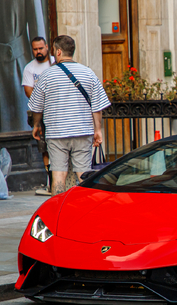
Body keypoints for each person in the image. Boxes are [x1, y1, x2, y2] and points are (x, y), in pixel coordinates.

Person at [28, 35, 111, 196]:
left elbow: (36, 107)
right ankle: (87, 208)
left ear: (58, 52)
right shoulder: (88, 73)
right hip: (82, 131)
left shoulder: (47, 75)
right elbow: (97, 106)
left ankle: (58, 212)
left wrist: (37, 125)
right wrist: (98, 130)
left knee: (58, 174)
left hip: (57, 133)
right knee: (84, 174)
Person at [22, 36, 55, 196]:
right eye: (35, 49)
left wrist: (40, 92)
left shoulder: (57, 63)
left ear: (47, 47)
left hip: (58, 113)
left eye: (41, 48)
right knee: (45, 149)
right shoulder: (30, 68)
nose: (38, 52)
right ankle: (51, 182)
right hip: (41, 114)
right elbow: (29, 92)